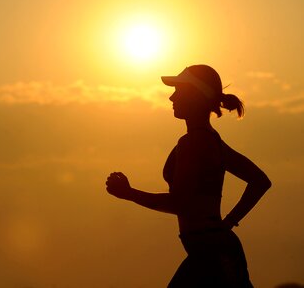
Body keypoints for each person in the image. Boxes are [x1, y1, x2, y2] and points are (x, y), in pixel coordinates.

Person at [105, 65, 271, 287]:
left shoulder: (193, 143)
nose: (171, 97)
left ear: (196, 95)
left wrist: (129, 193)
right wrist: (229, 222)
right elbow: (260, 181)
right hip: (214, 250)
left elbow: (180, 203)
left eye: (178, 91)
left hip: (211, 255)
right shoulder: (211, 140)